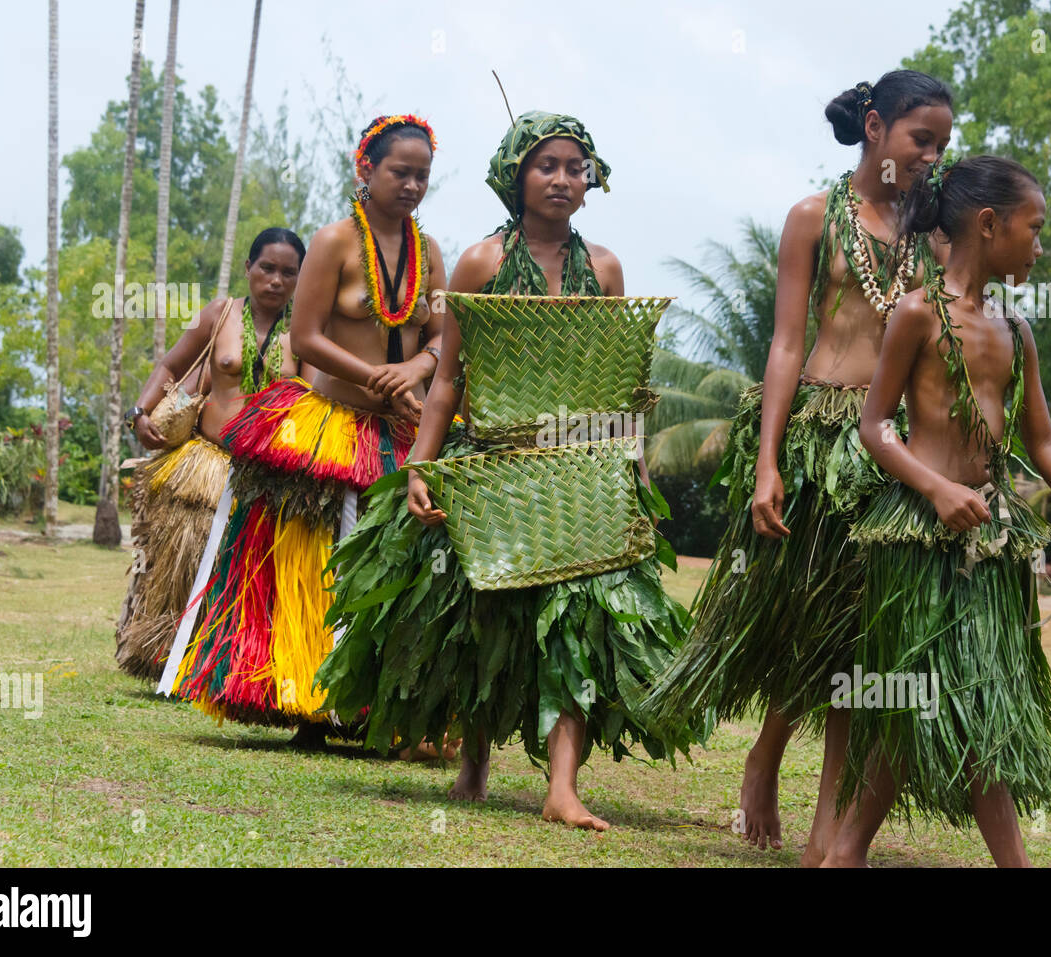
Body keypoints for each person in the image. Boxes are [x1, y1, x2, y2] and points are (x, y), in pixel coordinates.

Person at [316, 111, 696, 828]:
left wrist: (635, 470)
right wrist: (421, 468)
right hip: (493, 457)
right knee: (487, 611)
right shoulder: (480, 263)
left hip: (583, 464)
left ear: (592, 183)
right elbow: (450, 378)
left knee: (580, 619)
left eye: (575, 167)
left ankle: (561, 788)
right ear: (516, 175)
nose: (561, 178)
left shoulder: (605, 269)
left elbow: (618, 384)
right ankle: (475, 760)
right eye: (546, 164)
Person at [645, 70, 953, 862]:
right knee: (802, 619)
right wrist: (766, 463)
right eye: (923, 140)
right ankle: (764, 758)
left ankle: (829, 830)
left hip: (893, 450)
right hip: (819, 435)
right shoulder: (814, 217)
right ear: (877, 126)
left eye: (943, 146)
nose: (931, 157)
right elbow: (785, 342)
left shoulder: (934, 233)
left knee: (860, 636)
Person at [826, 154, 1051, 867]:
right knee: (915, 701)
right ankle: (847, 854)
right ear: (990, 225)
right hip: (919, 541)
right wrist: (934, 488)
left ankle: (871, 855)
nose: (1041, 244)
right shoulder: (916, 313)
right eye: (1036, 228)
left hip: (990, 544)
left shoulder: (1014, 331)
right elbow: (874, 428)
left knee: (984, 698)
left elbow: (1043, 439)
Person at [163, 116, 445, 747]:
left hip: (398, 431)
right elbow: (310, 335)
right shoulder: (334, 241)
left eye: (423, 176)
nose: (413, 186)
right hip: (328, 423)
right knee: (311, 557)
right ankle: (309, 701)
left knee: (390, 561)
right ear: (365, 170)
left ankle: (379, 709)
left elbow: (442, 335)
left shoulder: (431, 254)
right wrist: (380, 375)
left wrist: (415, 370)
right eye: (401, 172)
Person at [115, 228, 305, 680]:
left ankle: (226, 667)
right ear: (248, 268)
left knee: (245, 572)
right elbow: (171, 366)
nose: (276, 280)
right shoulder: (221, 314)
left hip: (268, 470)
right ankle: (164, 655)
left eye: (289, 272)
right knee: (185, 561)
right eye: (267, 268)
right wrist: (140, 411)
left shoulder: (305, 329)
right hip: (208, 464)